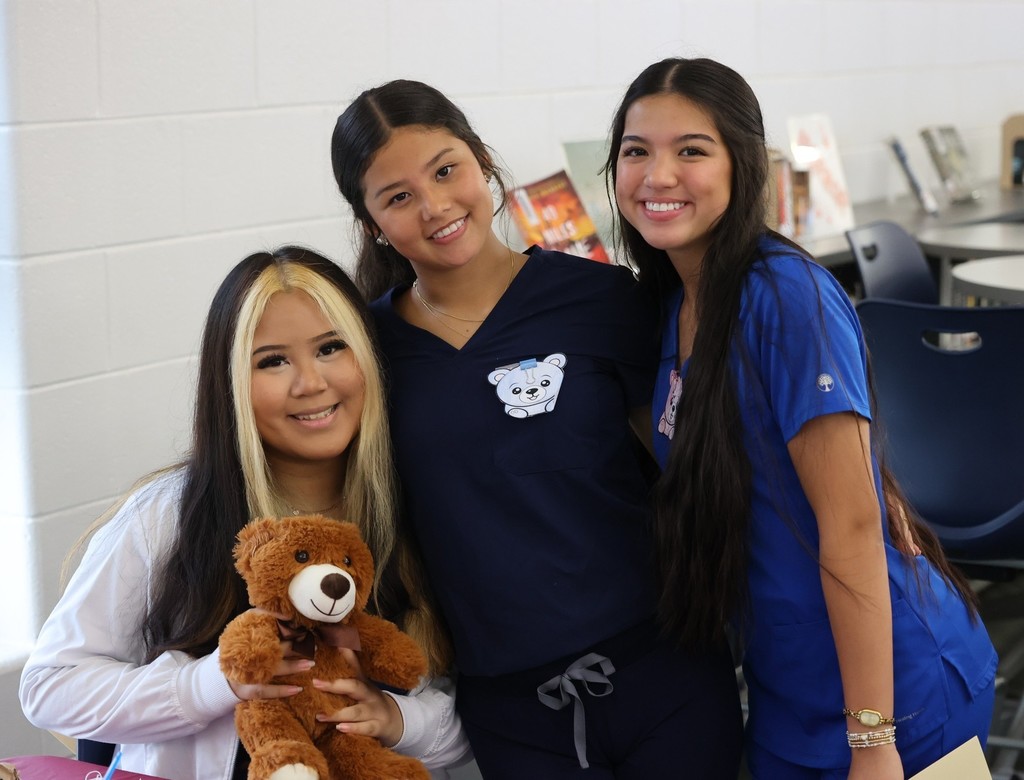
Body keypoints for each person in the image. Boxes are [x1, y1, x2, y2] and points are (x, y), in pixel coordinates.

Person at [329, 79, 743, 779]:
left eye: (445, 170)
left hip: (666, 672)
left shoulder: (601, 298)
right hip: (510, 711)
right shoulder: (366, 352)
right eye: (397, 196)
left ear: (483, 162)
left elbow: (693, 465)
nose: (434, 207)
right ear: (369, 221)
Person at [605, 56, 998, 779]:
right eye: (637, 151)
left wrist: (874, 741)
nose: (658, 176)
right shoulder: (667, 306)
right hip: (788, 686)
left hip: (893, 694)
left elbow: (849, 527)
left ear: (744, 163)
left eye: (691, 150)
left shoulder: (786, 296)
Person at [19, 247, 470, 780]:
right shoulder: (168, 514)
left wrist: (399, 718)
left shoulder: (418, 509)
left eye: (331, 347)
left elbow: (470, 724)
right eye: (273, 361)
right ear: (231, 383)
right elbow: (49, 688)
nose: (310, 383)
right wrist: (213, 683)